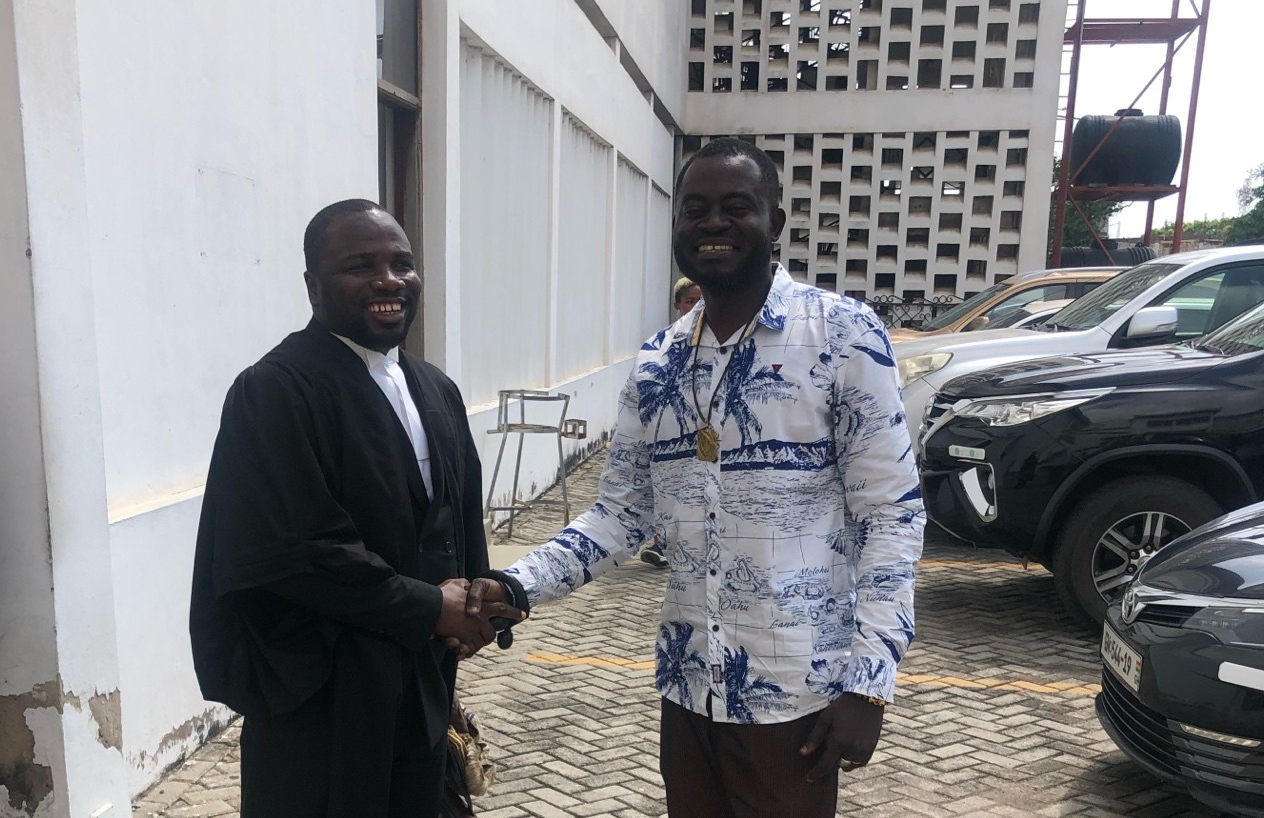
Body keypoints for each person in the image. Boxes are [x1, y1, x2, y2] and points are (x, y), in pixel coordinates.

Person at [469, 138, 925, 818]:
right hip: (689, 692)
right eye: (695, 210)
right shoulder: (658, 360)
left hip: (794, 702)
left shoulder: (841, 335)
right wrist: (516, 584)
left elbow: (891, 514)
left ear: (774, 222)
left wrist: (869, 684)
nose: (713, 223)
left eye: (736, 207)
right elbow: (620, 517)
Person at [189, 199, 523, 818]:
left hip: (419, 676)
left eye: (402, 264)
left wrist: (476, 601)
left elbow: (455, 511)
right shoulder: (275, 390)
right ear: (314, 286)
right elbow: (294, 550)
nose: (389, 280)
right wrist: (430, 607)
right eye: (361, 266)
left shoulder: (434, 388)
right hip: (326, 690)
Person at [638, 277, 703, 569]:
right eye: (689, 300)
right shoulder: (663, 346)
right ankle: (660, 543)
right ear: (677, 304)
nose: (695, 306)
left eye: (699, 300)